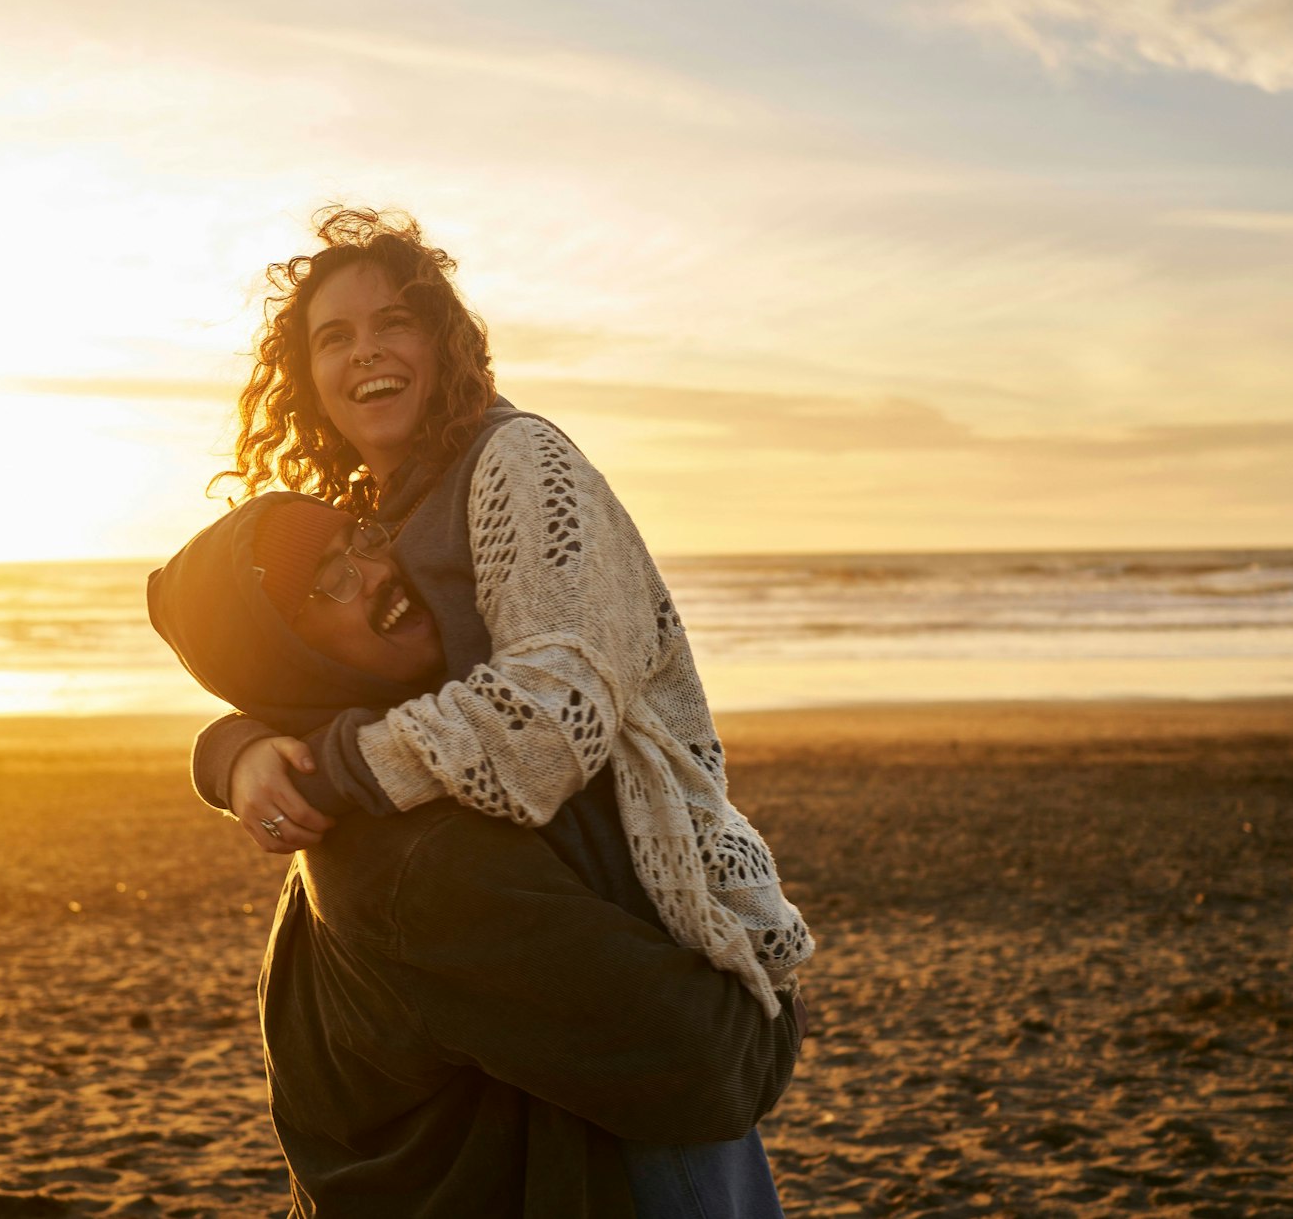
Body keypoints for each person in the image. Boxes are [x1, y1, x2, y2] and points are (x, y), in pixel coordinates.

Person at [169, 206, 814, 1211]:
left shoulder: (512, 460)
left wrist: (323, 766)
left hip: (642, 909)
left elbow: (549, 716)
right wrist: (235, 744)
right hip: (551, 946)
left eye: (393, 322)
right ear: (304, 377)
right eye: (330, 337)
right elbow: (316, 671)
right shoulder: (389, 512)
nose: (365, 352)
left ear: (444, 340)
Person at [148, 495, 805, 1216]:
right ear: (284, 658)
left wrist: (227, 746)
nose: (375, 571)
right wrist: (775, 994)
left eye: (362, 537)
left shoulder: (402, 770)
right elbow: (708, 1068)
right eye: (327, 580)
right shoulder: (419, 855)